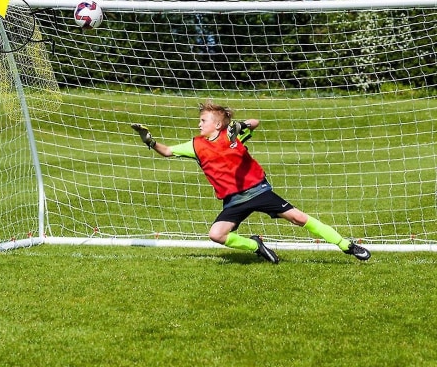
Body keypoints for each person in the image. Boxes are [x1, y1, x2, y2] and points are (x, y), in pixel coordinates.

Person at [131, 100, 370, 264]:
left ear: (217, 124)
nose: (199, 124)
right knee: (216, 234)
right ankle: (256, 246)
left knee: (299, 218)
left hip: (258, 191)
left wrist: (240, 126)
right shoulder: (195, 145)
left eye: (203, 120)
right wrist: (149, 140)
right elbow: (167, 151)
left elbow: (255, 122)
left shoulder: (233, 134)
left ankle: (346, 245)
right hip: (234, 200)